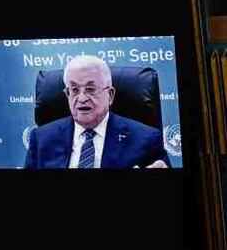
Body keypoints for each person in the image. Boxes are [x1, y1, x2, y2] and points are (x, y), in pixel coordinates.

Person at [23, 55, 170, 170]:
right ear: (67, 94)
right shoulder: (41, 139)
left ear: (110, 95)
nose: (81, 98)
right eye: (74, 90)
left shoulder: (147, 139)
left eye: (90, 89)